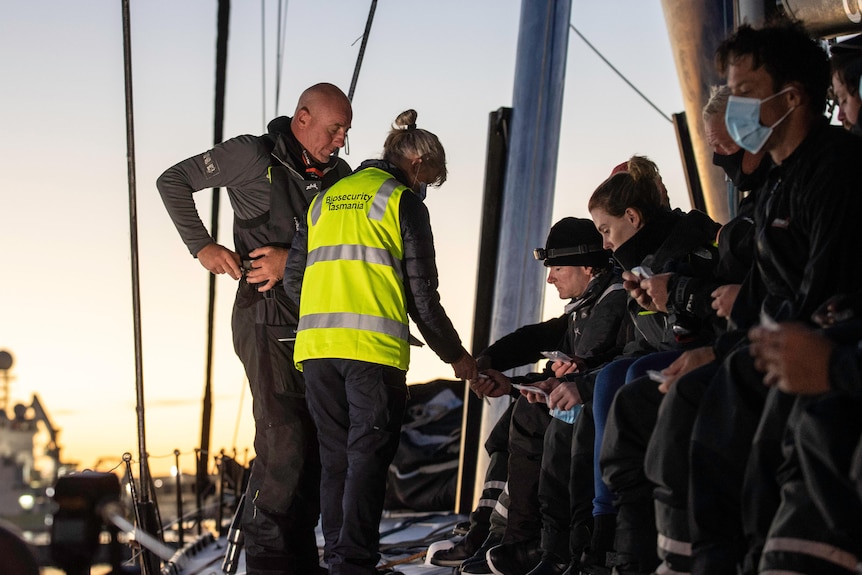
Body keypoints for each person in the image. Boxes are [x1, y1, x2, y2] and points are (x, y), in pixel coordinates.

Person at [647, 19, 862, 574]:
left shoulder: (836, 170)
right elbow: (767, 295)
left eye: (744, 92)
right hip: (773, 344)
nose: (735, 109)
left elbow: (822, 295)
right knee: (683, 395)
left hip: (821, 346)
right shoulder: (774, 190)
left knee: (746, 395)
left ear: (792, 97)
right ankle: (694, 560)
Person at [157, 82, 353, 575]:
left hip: (317, 324)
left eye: (347, 130)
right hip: (265, 321)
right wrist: (202, 246)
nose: (341, 141)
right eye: (334, 129)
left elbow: (347, 253)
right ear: (302, 118)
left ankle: (299, 561)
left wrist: (292, 260)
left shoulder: (343, 178)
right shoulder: (250, 154)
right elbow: (172, 181)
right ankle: (267, 564)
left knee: (314, 448)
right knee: (283, 442)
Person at [283, 109, 477, 575]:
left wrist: (330, 310)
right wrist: (457, 356)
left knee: (335, 459)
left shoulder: (325, 199)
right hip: (372, 354)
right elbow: (422, 296)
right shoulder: (402, 202)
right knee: (367, 457)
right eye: (427, 180)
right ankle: (355, 564)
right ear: (415, 162)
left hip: (317, 351)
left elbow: (294, 281)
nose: (424, 189)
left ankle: (342, 559)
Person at [462, 217, 628, 575]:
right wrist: (489, 361)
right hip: (586, 398)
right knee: (507, 425)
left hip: (597, 407)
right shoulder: (585, 305)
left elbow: (579, 370)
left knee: (533, 415)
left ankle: (529, 542)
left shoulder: (610, 303)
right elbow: (536, 338)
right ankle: (492, 532)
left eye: (556, 268)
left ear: (587, 267)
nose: (549, 278)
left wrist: (516, 385)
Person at [586, 156, 722, 575]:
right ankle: (601, 525)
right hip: (678, 350)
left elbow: (706, 323)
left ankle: (631, 536)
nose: (605, 245)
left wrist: (669, 304)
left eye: (606, 232)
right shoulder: (638, 262)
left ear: (632, 215)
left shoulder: (693, 244)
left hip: (721, 351)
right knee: (610, 378)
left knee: (631, 381)